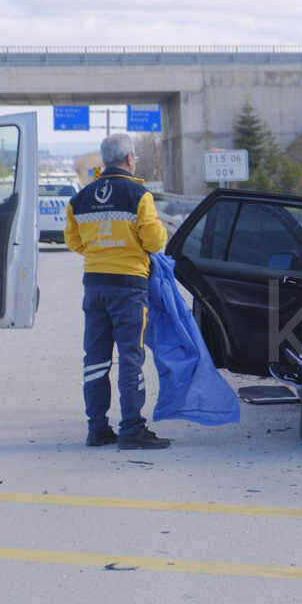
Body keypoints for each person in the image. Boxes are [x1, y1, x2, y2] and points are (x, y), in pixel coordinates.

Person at [64, 133, 171, 450]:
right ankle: (131, 430)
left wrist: (100, 251)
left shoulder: (80, 198)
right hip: (128, 287)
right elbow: (155, 242)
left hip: (94, 284)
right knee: (130, 358)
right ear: (128, 159)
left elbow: (74, 242)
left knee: (95, 358)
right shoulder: (139, 195)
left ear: (104, 160)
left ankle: (97, 429)